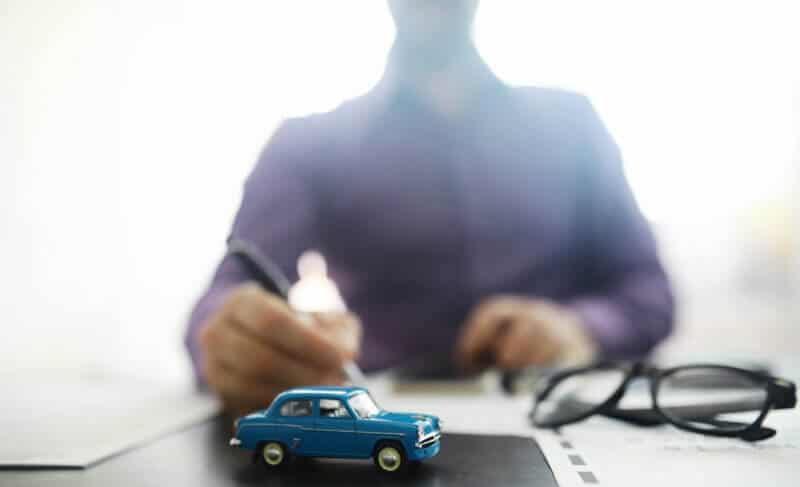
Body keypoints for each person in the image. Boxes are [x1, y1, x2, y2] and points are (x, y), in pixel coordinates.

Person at [186, 0, 674, 416]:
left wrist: (578, 327)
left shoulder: (574, 123)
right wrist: (231, 338)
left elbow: (649, 292)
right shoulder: (306, 145)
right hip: (384, 423)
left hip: (567, 410)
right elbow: (226, 297)